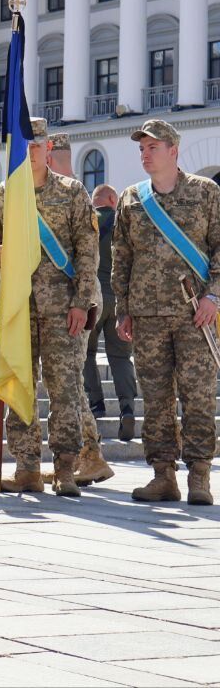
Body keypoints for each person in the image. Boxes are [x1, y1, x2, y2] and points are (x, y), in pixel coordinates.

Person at [0, 119, 101, 496]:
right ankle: (27, 466)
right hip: (18, 308)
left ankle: (65, 467)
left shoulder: (72, 192)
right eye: (24, 145)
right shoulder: (0, 196)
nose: (31, 151)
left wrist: (82, 303)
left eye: (37, 145)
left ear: (49, 148)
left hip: (63, 309)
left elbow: (86, 253)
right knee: (20, 381)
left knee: (64, 389)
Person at [112, 119, 220, 505]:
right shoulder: (131, 199)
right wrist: (123, 309)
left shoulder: (206, 193)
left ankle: (200, 477)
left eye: (152, 147)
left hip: (196, 314)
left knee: (198, 396)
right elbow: (121, 257)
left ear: (173, 150)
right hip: (147, 315)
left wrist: (215, 298)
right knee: (156, 398)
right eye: (141, 148)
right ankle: (163, 475)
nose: (145, 154)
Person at [84, 182, 139, 441]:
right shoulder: (123, 223)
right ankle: (127, 408)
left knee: (87, 353)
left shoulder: (86, 221)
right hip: (118, 300)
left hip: (91, 299)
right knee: (120, 357)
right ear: (112, 199)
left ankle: (95, 404)